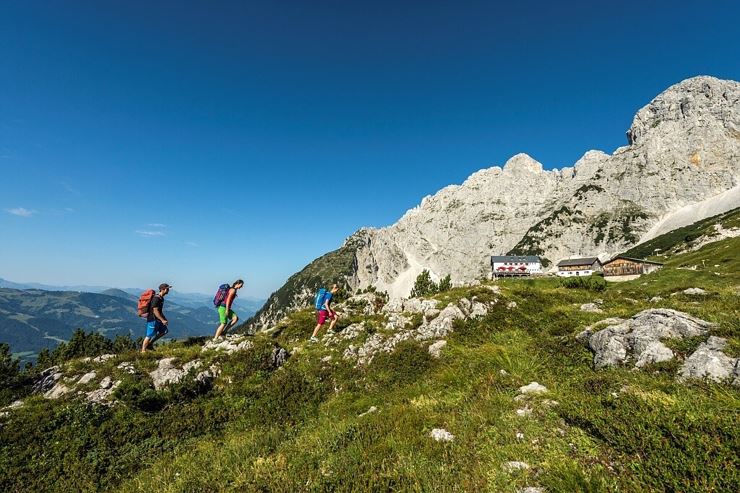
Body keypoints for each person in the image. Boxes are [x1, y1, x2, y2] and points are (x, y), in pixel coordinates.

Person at [141, 283, 171, 353]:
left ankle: (150, 344)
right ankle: (143, 351)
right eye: (167, 289)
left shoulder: (161, 298)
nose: (168, 290)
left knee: (164, 331)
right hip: (153, 319)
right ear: (162, 289)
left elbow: (159, 311)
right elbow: (155, 310)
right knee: (149, 335)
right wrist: (162, 320)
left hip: (158, 319)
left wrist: (164, 318)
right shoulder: (156, 298)